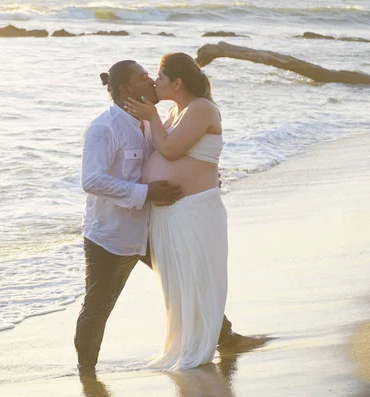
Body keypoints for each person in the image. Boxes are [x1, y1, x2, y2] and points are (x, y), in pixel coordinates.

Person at [75, 59, 253, 377]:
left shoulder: (147, 122)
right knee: (98, 306)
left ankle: (224, 338)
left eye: (154, 76)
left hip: (149, 227)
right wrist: (146, 194)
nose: (153, 83)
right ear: (128, 90)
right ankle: (87, 373)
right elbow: (92, 180)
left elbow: (177, 152)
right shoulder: (104, 128)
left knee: (189, 276)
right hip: (112, 234)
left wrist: (205, 175)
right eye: (145, 79)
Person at [123, 52, 228, 370]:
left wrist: (151, 116)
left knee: (195, 280)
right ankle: (183, 342)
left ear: (178, 83)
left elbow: (170, 149)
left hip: (194, 212)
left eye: (161, 77)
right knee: (176, 286)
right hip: (171, 214)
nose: (156, 82)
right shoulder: (174, 111)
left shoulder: (201, 108)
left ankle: (199, 348)